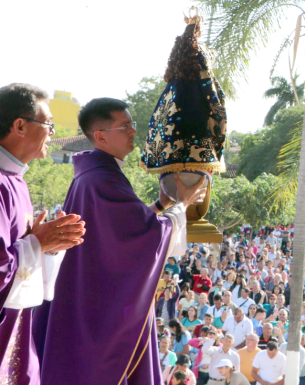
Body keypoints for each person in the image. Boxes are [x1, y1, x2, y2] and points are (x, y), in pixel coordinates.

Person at [36, 97, 205, 384]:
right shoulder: (103, 179)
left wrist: (161, 205)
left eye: (132, 124)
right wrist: (183, 204)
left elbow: (123, 229)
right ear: (100, 135)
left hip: (91, 295)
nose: (132, 132)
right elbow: (143, 238)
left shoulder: (96, 174)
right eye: (125, 126)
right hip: (101, 308)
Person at [0, 83, 86, 384]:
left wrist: (45, 247)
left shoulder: (16, 181)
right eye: (47, 123)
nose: (52, 131)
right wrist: (37, 242)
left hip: (16, 328)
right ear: (19, 125)